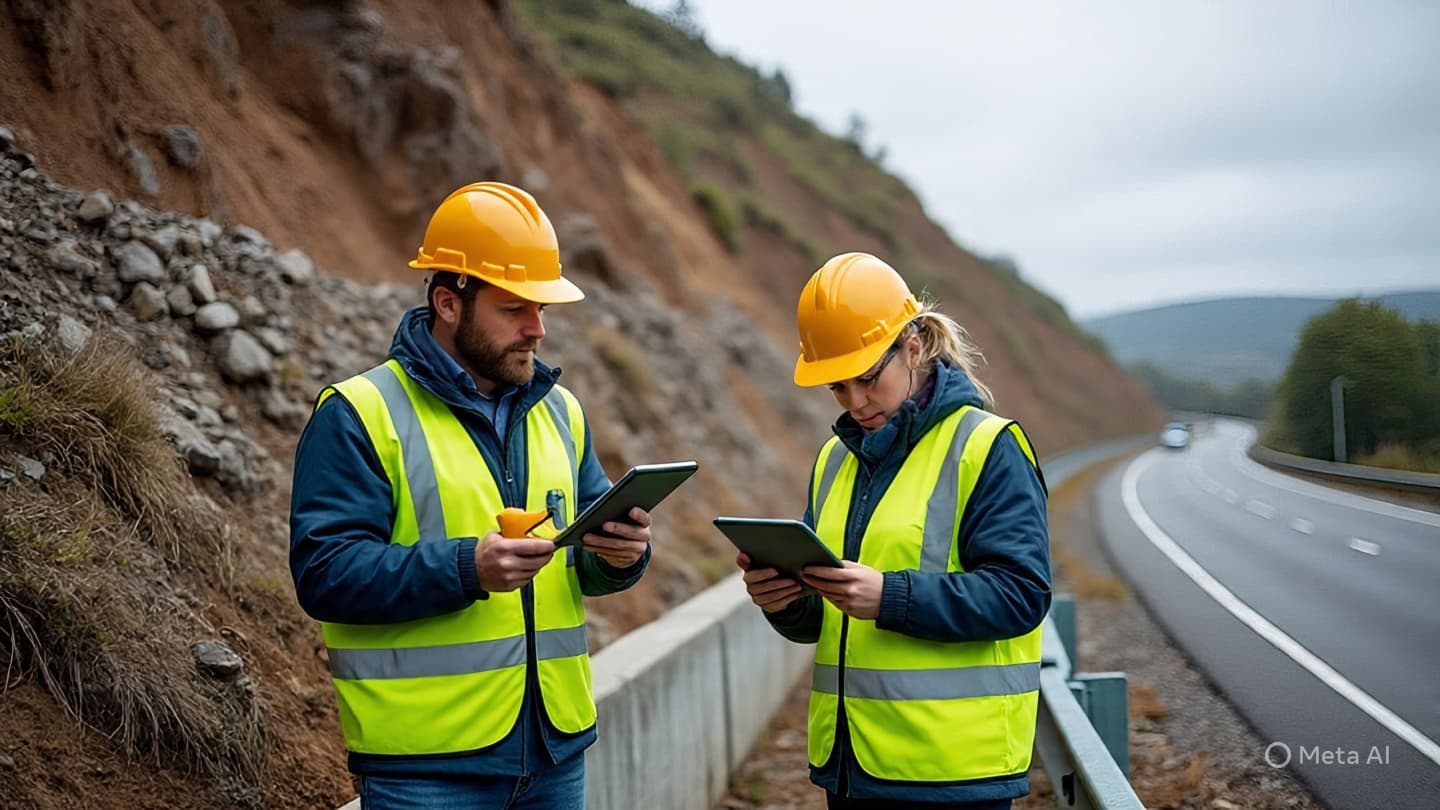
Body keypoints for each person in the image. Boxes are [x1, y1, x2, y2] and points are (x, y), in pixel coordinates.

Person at [289, 181, 653, 809]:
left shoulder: (561, 413)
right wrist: (468, 568)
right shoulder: (361, 413)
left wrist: (621, 556)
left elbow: (587, 560)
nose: (537, 329)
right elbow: (325, 574)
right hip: (426, 769)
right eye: (515, 309)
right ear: (448, 303)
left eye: (542, 309)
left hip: (554, 755)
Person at [738, 252, 1051, 809]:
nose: (855, 403)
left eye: (867, 379)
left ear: (912, 346)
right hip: (852, 770)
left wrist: (889, 596)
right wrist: (783, 602)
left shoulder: (986, 447)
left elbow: (1021, 595)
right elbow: (825, 619)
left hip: (952, 774)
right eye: (837, 387)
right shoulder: (835, 461)